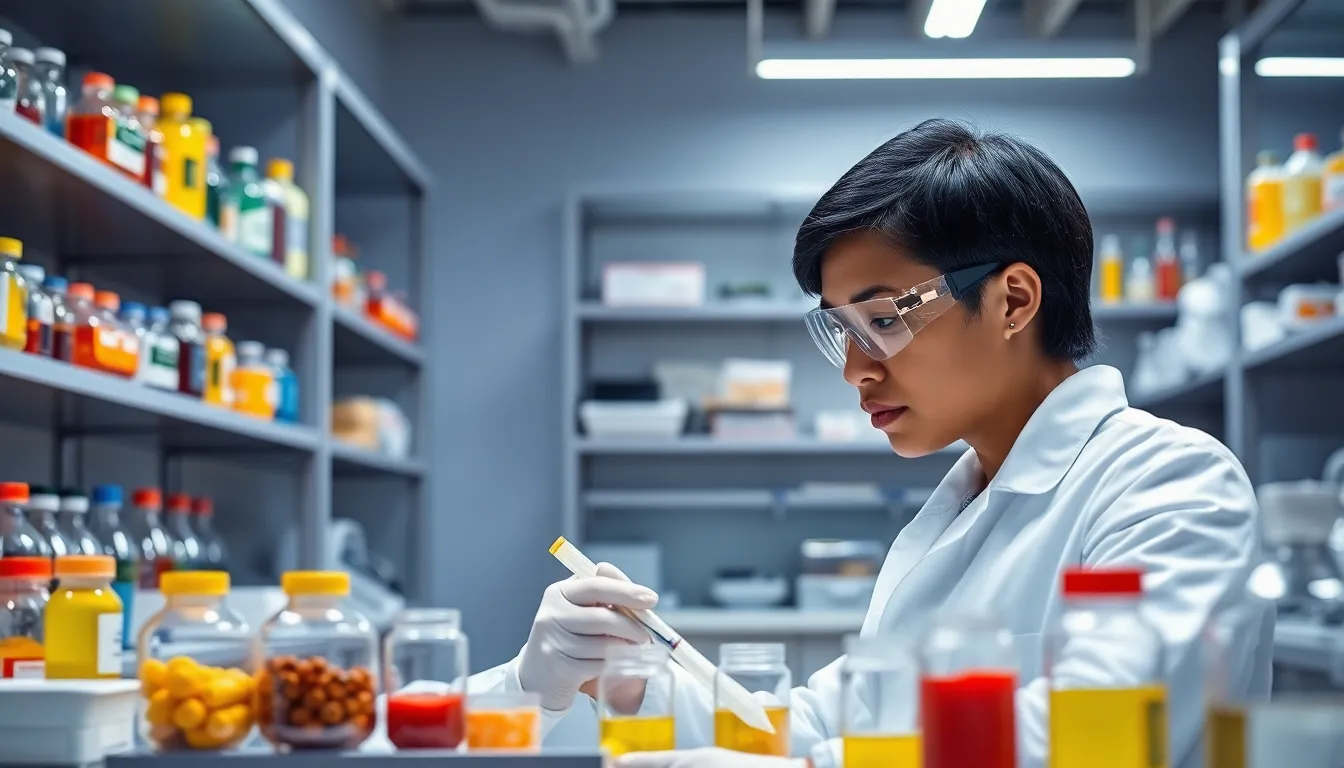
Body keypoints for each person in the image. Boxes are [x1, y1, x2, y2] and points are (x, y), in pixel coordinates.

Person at [469, 119, 1274, 768]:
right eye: (842, 330)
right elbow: (824, 721)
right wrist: (602, 677)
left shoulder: (1170, 486)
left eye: (884, 320)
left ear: (1013, 300)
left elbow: (1091, 743)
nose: (855, 369)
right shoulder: (958, 511)